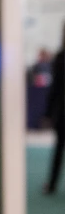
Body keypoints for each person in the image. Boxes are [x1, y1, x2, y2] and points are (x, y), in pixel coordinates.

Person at [44, 25, 65, 195]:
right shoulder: (59, 58)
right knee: (58, 149)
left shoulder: (60, 57)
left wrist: (48, 113)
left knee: (59, 148)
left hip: (62, 112)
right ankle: (51, 184)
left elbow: (55, 88)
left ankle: (51, 185)